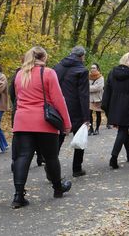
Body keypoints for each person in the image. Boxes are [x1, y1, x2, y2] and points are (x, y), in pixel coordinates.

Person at [12, 46, 72, 208]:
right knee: (51, 157)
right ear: (44, 58)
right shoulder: (48, 73)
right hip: (43, 121)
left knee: (23, 157)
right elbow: (59, 99)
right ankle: (58, 189)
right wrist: (66, 124)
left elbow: (17, 98)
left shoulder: (20, 74)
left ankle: (18, 196)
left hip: (22, 121)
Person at [54, 46, 89, 177]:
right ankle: (77, 168)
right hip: (75, 109)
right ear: (82, 56)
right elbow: (83, 95)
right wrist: (86, 117)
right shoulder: (82, 70)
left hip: (57, 108)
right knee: (80, 138)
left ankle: (51, 167)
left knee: (59, 137)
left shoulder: (57, 67)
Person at [102, 52, 129, 169]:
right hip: (128, 106)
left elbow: (107, 90)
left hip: (114, 105)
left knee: (123, 129)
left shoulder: (112, 73)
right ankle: (113, 158)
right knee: (123, 130)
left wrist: (106, 106)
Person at [9, 64, 45, 167]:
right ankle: (39, 157)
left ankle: (15, 160)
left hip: (19, 109)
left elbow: (12, 93)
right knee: (37, 134)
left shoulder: (18, 73)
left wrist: (17, 103)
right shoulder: (36, 73)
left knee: (18, 137)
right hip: (32, 110)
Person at [88, 63, 104, 136]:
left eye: (94, 68)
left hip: (98, 99)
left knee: (98, 114)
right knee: (89, 114)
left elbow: (98, 87)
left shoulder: (101, 78)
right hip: (90, 99)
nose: (92, 69)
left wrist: (88, 88)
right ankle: (90, 129)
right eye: (91, 68)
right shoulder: (88, 77)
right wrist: (92, 88)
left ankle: (97, 128)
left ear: (97, 69)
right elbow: (86, 86)